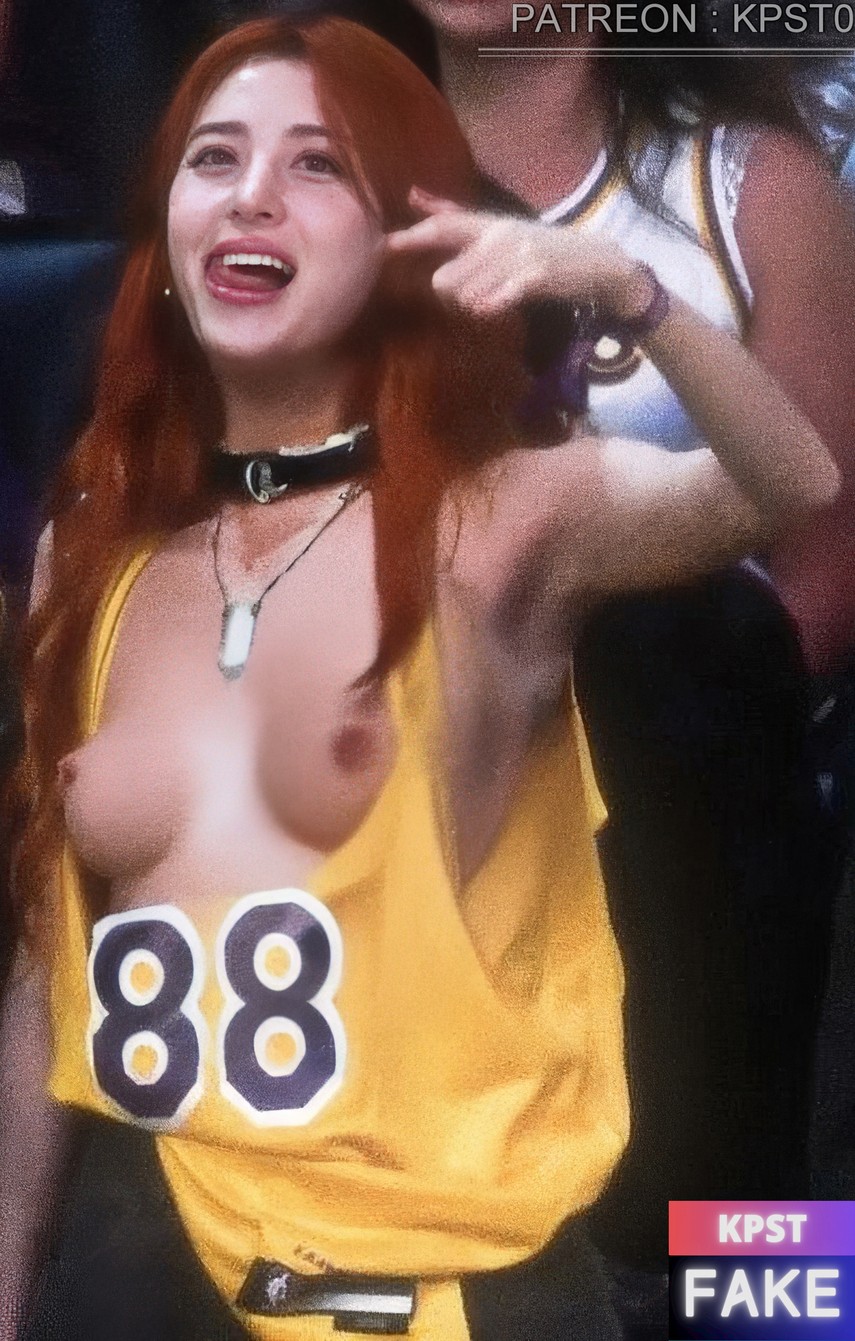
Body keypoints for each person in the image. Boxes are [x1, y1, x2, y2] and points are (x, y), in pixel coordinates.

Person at [0, 16, 838, 1341]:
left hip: (436, 1267)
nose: (252, 192)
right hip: (150, 1238)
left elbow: (795, 490)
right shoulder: (94, 542)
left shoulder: (507, 517)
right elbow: (51, 970)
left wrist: (630, 297)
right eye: (214, 159)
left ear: (407, 247)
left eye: (313, 164)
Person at [406, 0, 855, 1255]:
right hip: (406, 814)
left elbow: (821, 577)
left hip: (695, 831)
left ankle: (764, 1302)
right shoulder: (306, 161)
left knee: (747, 1237)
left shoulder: (754, 183)